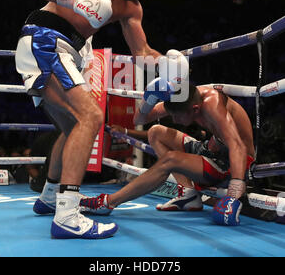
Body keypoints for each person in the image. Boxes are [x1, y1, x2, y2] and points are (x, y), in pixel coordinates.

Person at [15, 0, 185, 239]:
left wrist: (169, 66)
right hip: (45, 37)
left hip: (68, 49)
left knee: (72, 126)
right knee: (91, 117)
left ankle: (49, 197)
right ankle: (67, 215)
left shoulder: (132, 8)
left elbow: (141, 52)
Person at [80, 82, 255, 226]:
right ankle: (188, 194)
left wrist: (233, 196)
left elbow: (237, 145)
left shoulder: (212, 104)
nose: (174, 120)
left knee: (171, 159)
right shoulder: (184, 99)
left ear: (195, 109)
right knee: (155, 131)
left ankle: (109, 202)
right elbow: (139, 120)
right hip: (210, 151)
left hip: (233, 162)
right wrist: (149, 99)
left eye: (176, 116)